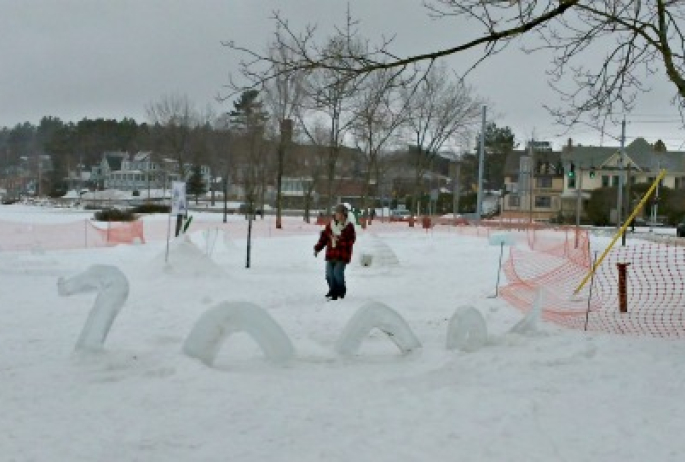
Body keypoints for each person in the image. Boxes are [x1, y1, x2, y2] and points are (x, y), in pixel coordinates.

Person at [313, 203, 356, 300]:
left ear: (344, 215)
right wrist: (317, 248)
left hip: (342, 255)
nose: (337, 215)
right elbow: (324, 238)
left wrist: (339, 240)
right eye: (336, 213)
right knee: (329, 274)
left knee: (337, 273)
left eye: (339, 213)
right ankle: (332, 290)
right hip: (331, 254)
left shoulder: (349, 227)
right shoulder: (331, 225)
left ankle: (340, 291)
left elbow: (351, 241)